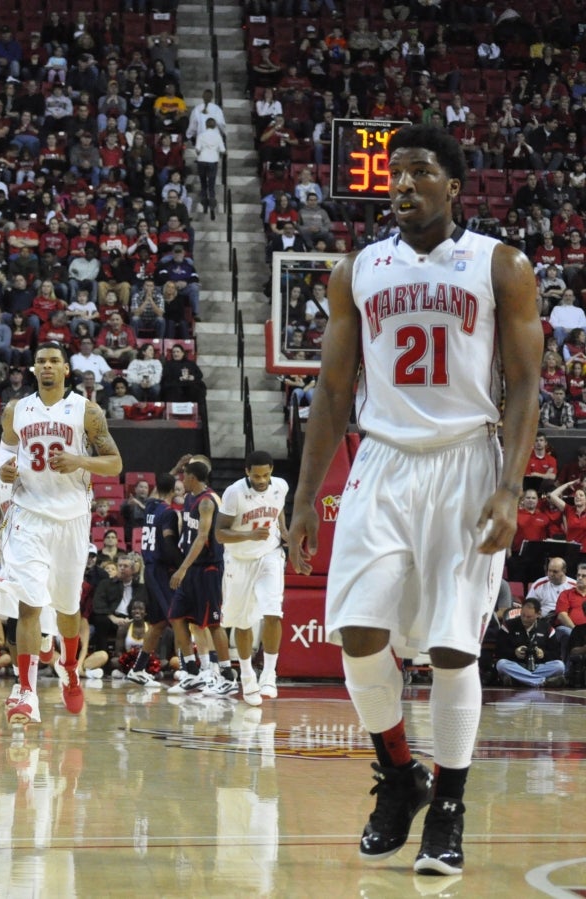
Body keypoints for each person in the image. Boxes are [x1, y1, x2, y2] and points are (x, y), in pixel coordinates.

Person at [287, 125, 542, 877]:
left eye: (420, 172)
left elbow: (526, 384)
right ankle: (400, 776)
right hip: (383, 460)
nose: (402, 185)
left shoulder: (501, 264)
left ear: (454, 185)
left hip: (466, 460)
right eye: (395, 175)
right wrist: (305, 497)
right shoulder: (357, 269)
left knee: (454, 647)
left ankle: (451, 807)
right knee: (360, 635)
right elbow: (334, 389)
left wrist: (510, 483)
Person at [0, 342, 123, 725]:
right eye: (41, 361)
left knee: (66, 609)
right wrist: (5, 471)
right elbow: (5, 451)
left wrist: (79, 460)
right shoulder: (16, 410)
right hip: (28, 515)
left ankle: (69, 666)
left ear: (66, 369)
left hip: (71, 519)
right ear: (33, 369)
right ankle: (27, 693)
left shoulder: (88, 411)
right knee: (30, 604)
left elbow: (115, 463)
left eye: (54, 361)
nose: (47, 366)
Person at [215, 450, 289, 703]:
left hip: (269, 555)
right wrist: (248, 535)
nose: (261, 480)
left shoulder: (280, 486)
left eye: (266, 475)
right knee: (243, 621)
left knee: (272, 611)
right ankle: (247, 676)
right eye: (256, 475)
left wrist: (286, 534)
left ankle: (269, 674)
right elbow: (220, 534)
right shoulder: (234, 493)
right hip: (239, 560)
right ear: (247, 472)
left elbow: (278, 512)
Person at [166, 460, 234, 694]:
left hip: (208, 569)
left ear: (192, 477)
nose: (181, 480)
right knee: (176, 616)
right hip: (192, 567)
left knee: (213, 624)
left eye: (184, 476)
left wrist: (182, 568)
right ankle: (193, 672)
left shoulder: (207, 501)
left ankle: (227, 675)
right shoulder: (188, 499)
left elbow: (202, 536)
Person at [126, 472, 181, 687]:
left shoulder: (150, 506)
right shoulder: (168, 513)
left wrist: (175, 468)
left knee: (158, 623)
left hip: (148, 569)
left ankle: (138, 669)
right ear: (174, 491)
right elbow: (167, 547)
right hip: (160, 569)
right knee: (177, 618)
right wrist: (181, 565)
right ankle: (189, 670)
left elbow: (159, 489)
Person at [494, 598, 565, 687]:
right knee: (501, 664)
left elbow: (556, 654)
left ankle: (521, 680)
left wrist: (543, 654)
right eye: (522, 615)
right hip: (517, 665)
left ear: (538, 614)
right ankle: (540, 681)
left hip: (538, 666)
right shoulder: (508, 625)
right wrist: (514, 652)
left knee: (559, 666)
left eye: (529, 617)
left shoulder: (547, 628)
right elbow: (499, 651)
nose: (524, 619)